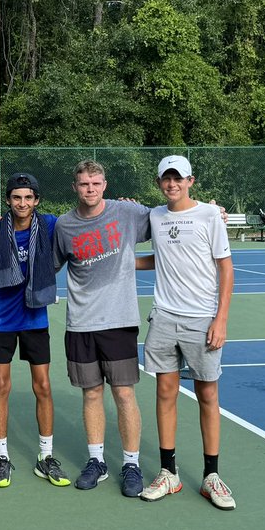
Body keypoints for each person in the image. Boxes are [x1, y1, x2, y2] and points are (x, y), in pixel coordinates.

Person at [137, 156, 236, 508]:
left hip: (202, 320)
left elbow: (225, 269)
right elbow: (160, 257)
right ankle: (169, 473)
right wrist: (122, 258)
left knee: (208, 395)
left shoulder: (210, 216)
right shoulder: (155, 215)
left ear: (191, 180)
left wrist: (220, 319)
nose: (172, 184)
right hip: (164, 317)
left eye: (178, 178)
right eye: (166, 178)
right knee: (165, 392)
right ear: (159, 181)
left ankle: (212, 477)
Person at [53, 159, 151, 497]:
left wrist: (209, 213)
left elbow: (170, 221)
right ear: (75, 187)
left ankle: (131, 464)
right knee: (91, 393)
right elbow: (48, 262)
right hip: (80, 324)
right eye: (84, 184)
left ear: (104, 185)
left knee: (124, 394)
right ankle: (97, 461)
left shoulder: (128, 214)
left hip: (120, 321)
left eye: (95, 184)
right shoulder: (64, 226)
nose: (90, 189)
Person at [0, 172, 69, 488]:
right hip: (1, 319)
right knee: (1, 386)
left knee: (42, 386)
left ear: (36, 201)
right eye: (16, 197)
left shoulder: (49, 225)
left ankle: (45, 457)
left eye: (28, 197)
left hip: (35, 318)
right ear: (8, 200)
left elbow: (82, 219)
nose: (22, 203)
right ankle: (2, 456)